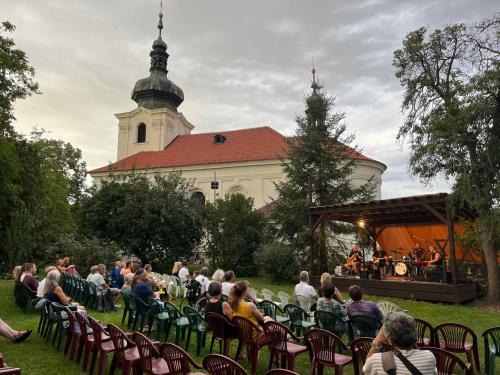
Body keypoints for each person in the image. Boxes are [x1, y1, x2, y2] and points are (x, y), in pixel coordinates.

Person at [364, 312, 437, 375]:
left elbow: (365, 370)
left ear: (390, 341)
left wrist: (376, 342)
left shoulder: (376, 360)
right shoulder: (429, 357)